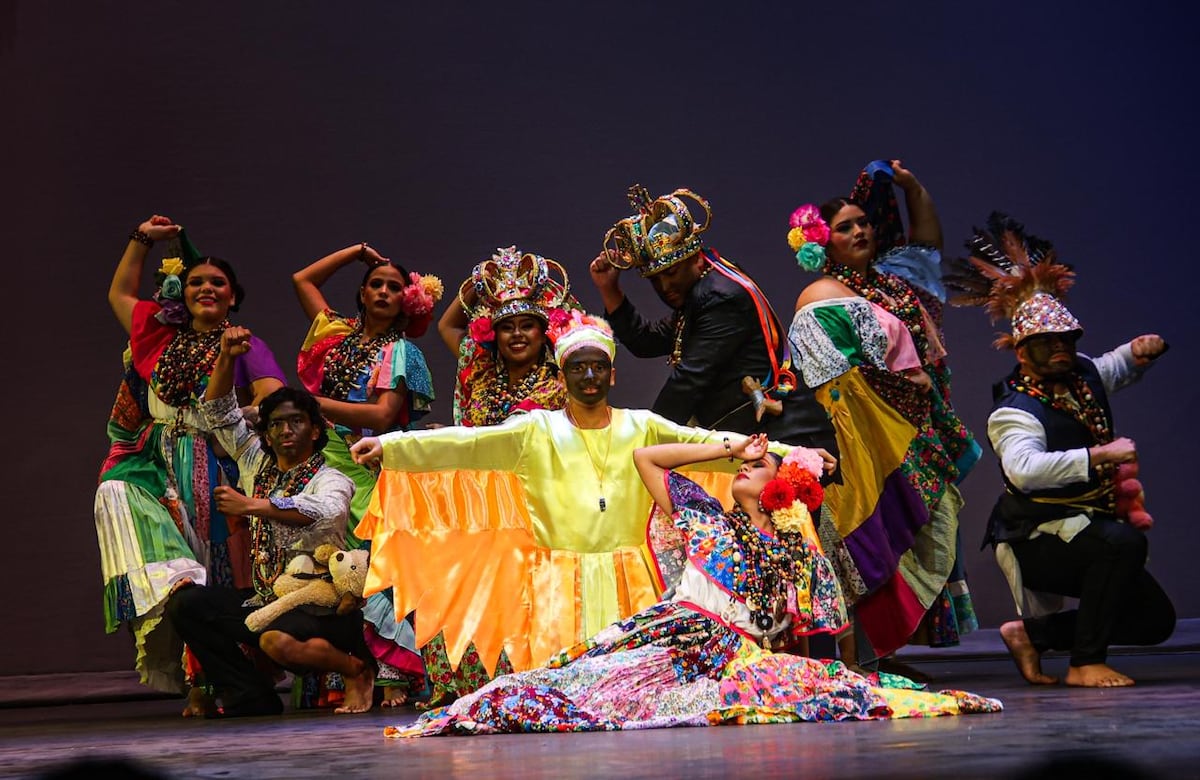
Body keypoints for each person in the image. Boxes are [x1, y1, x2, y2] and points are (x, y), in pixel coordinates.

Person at [382, 435, 1002, 737]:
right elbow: (647, 460)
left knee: (837, 687)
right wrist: (723, 444)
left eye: (754, 466)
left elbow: (804, 630)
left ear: (779, 487)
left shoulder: (792, 545)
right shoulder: (704, 517)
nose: (739, 468)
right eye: (738, 464)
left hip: (739, 656)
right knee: (559, 690)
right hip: (681, 635)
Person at [349, 313, 808, 706]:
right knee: (563, 698)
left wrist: (794, 457)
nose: (589, 377)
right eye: (578, 369)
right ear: (562, 375)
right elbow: (464, 443)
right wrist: (391, 447)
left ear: (611, 375)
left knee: (639, 697)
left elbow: (708, 444)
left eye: (598, 368)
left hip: (635, 582)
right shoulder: (536, 430)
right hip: (557, 591)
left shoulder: (641, 426)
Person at [944, 212, 1175, 688]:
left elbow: (1109, 369)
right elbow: (1025, 470)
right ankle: (1084, 662)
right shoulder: (1015, 411)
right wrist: (1097, 458)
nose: (1060, 350)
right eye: (1047, 344)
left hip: (1089, 529)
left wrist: (1137, 353)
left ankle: (1033, 636)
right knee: (1123, 543)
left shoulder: (1081, 373)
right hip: (1039, 538)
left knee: (1154, 621)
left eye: (1066, 341)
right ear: (1022, 351)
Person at [785, 160, 981, 673]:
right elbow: (832, 377)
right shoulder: (823, 296)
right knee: (876, 530)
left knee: (920, 533)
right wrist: (903, 391)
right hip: (867, 435)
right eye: (845, 226)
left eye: (863, 222)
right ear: (823, 244)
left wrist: (913, 185)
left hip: (914, 427)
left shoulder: (894, 282)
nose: (859, 230)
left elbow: (928, 247)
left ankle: (891, 650)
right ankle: (867, 655)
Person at [95, 215, 286, 698]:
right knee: (127, 508)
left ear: (233, 296)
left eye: (217, 283)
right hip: (156, 462)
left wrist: (238, 411)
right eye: (197, 281)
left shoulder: (245, 343)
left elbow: (274, 399)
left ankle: (218, 680)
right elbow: (119, 295)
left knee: (217, 569)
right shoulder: (159, 337)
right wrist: (141, 240)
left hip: (214, 463)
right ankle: (194, 677)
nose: (206, 288)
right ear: (181, 293)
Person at [165, 326, 373, 717]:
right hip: (266, 600)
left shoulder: (330, 476)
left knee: (275, 641)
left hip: (320, 610)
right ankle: (248, 692)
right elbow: (219, 414)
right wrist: (226, 357)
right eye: (275, 423)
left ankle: (355, 670)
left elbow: (326, 510)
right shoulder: (255, 463)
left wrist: (253, 506)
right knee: (188, 604)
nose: (284, 430)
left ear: (315, 430)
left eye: (295, 421)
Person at [293, 241, 442, 705]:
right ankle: (347, 674)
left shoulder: (400, 352)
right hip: (324, 461)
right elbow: (303, 280)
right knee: (332, 570)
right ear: (361, 294)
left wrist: (311, 406)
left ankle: (397, 673)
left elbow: (381, 416)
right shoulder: (335, 337)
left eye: (394, 287)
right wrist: (357, 252)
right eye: (375, 284)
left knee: (377, 565)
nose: (382, 291)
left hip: (368, 461)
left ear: (406, 300)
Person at [589, 184, 836, 453]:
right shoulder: (702, 288)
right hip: (760, 442)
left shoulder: (719, 297)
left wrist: (641, 447)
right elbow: (646, 342)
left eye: (671, 273)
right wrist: (609, 289)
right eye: (654, 280)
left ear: (695, 259)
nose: (664, 287)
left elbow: (687, 383)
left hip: (787, 442)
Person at [438, 246, 579, 426]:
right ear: (495, 336)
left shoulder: (559, 384)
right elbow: (447, 326)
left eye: (527, 326)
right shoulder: (481, 372)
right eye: (507, 328)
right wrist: (480, 284)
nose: (517, 334)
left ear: (544, 335)